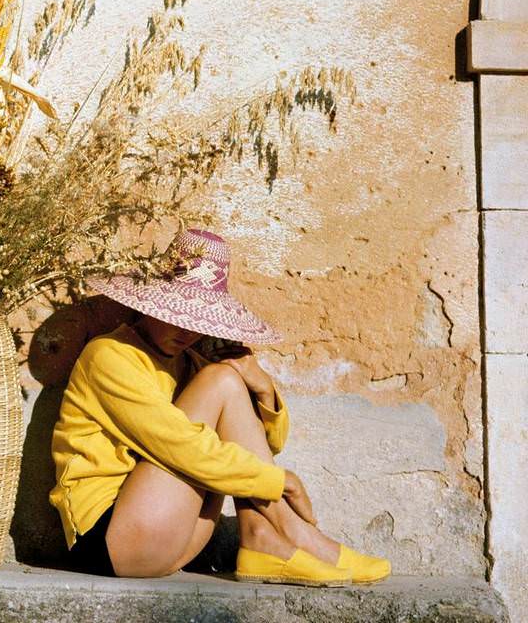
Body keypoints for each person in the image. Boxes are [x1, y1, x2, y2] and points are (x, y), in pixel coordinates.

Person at [45, 228, 391, 585]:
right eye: (176, 315)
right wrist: (281, 483)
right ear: (151, 303)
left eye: (196, 321)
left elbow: (265, 446)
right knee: (220, 382)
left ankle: (261, 537)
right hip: (112, 539)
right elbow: (181, 446)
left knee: (224, 378)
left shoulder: (189, 363)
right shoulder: (109, 355)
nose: (186, 331)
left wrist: (262, 388)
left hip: (176, 535)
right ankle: (299, 535)